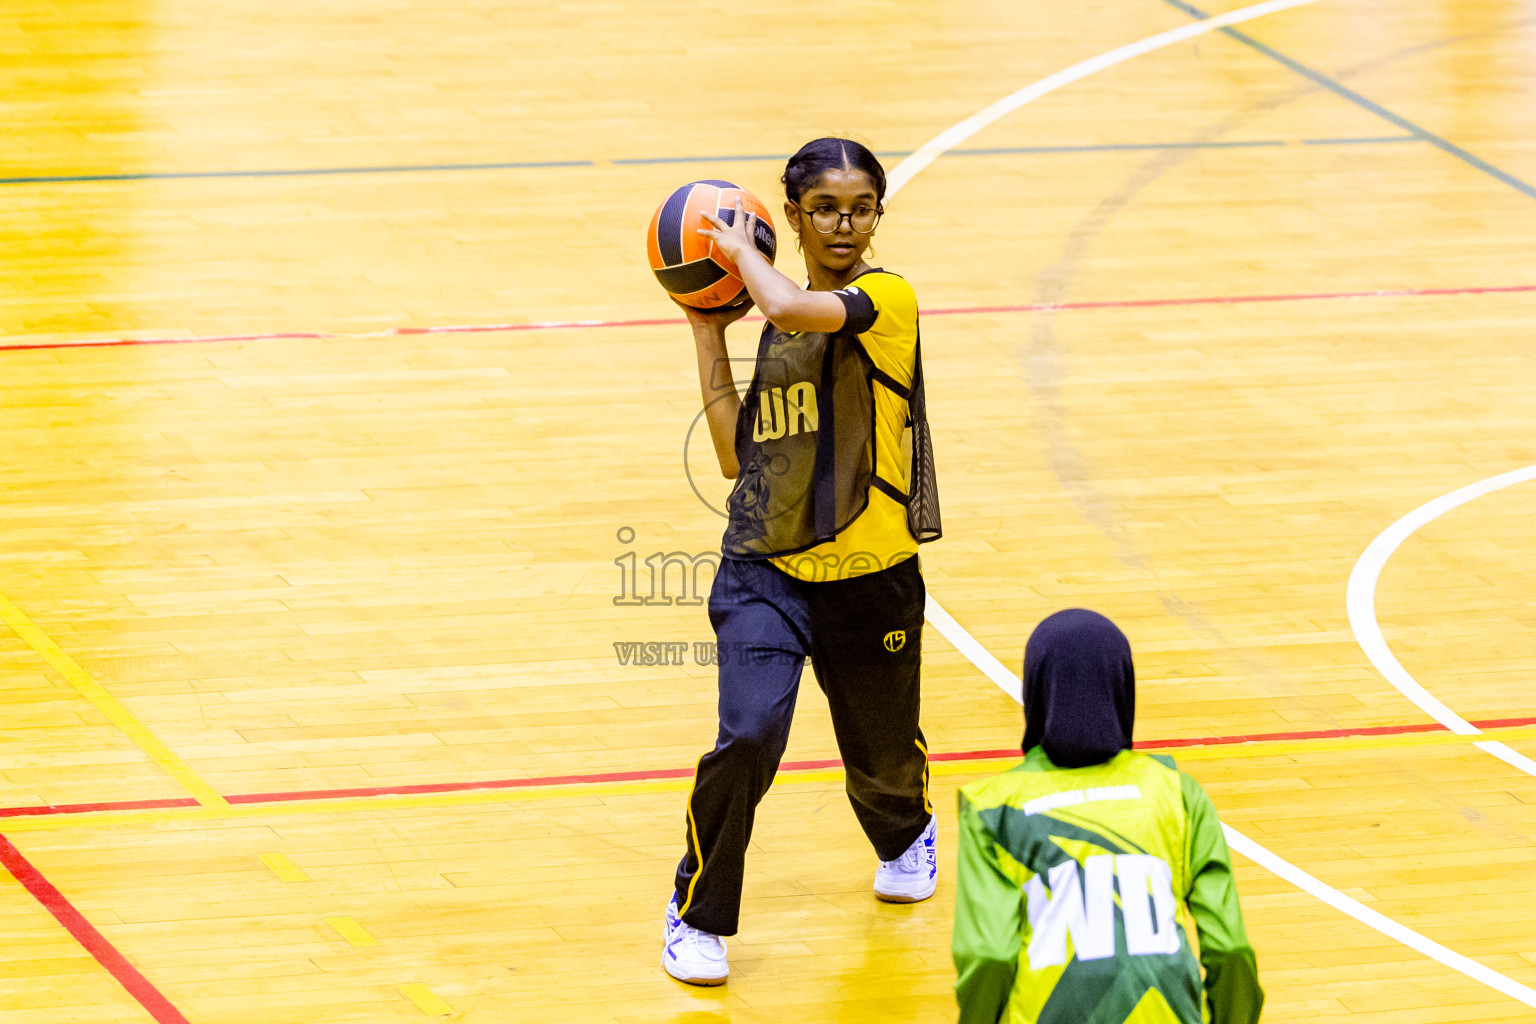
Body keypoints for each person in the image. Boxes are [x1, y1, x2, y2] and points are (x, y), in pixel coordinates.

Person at [662, 137, 943, 986]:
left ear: (878, 216)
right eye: (824, 208)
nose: (844, 224)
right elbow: (731, 455)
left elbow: (786, 307)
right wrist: (705, 329)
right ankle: (695, 913)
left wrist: (736, 250)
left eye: (861, 208)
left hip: (873, 581)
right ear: (794, 217)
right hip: (766, 573)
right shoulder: (779, 330)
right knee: (746, 736)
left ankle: (906, 829)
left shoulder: (885, 299)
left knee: (884, 766)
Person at [952, 609, 1263, 1024]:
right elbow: (1230, 950)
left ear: (1036, 692)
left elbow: (988, 955)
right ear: (1122, 689)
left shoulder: (991, 808)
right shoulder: (1177, 793)